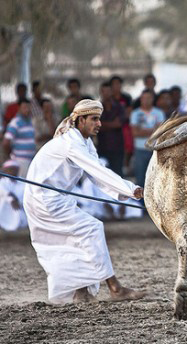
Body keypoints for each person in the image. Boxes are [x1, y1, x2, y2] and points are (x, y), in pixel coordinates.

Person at [23, 99, 146, 304]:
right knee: (92, 228)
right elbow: (98, 171)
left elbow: (98, 175)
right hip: (43, 198)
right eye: (94, 119)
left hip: (57, 198)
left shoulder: (85, 142)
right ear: (80, 120)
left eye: (99, 119)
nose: (99, 124)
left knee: (73, 240)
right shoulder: (72, 143)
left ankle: (80, 292)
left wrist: (131, 191)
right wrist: (131, 190)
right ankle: (114, 287)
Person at [130, 90, 165, 188]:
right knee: (140, 179)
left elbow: (160, 132)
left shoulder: (159, 113)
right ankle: (140, 203)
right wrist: (153, 130)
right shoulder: (135, 113)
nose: (146, 100)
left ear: (152, 99)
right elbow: (134, 133)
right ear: (141, 99)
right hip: (140, 150)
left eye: (148, 98)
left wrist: (142, 130)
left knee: (156, 179)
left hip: (155, 150)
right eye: (144, 98)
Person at [97, 82, 125, 177]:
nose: (106, 93)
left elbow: (118, 124)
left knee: (118, 175)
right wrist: (112, 123)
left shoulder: (119, 106)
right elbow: (97, 126)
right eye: (104, 91)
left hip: (117, 147)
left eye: (109, 91)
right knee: (103, 175)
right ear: (101, 92)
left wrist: (103, 124)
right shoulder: (97, 108)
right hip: (102, 146)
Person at [2, 98, 35, 177]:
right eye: (24, 108)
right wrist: (11, 155)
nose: (27, 110)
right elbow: (6, 142)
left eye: (28, 107)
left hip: (30, 160)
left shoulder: (30, 122)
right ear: (19, 109)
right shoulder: (15, 122)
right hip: (20, 161)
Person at [109, 75, 134, 177]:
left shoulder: (126, 98)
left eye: (118, 84)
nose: (116, 86)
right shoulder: (108, 99)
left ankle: (126, 166)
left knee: (128, 147)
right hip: (112, 129)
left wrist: (119, 119)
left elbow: (128, 112)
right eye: (114, 84)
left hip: (125, 126)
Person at [0, 160, 27, 232]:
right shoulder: (2, 182)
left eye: (15, 169)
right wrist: (11, 199)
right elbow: (4, 193)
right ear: (5, 171)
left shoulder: (24, 182)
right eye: (10, 169)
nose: (13, 171)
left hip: (21, 207)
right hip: (5, 207)